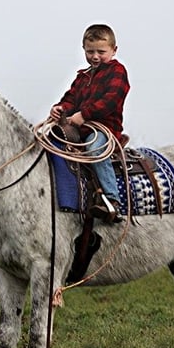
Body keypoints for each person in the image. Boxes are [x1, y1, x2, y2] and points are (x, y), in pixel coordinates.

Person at [49, 23, 130, 222]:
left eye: (101, 52)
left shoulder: (117, 71)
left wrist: (84, 115)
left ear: (114, 50)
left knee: (95, 150)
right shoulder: (83, 76)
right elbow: (71, 98)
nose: (95, 56)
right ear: (83, 49)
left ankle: (112, 200)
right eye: (90, 51)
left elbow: (110, 100)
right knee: (52, 142)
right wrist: (60, 108)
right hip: (80, 129)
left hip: (104, 129)